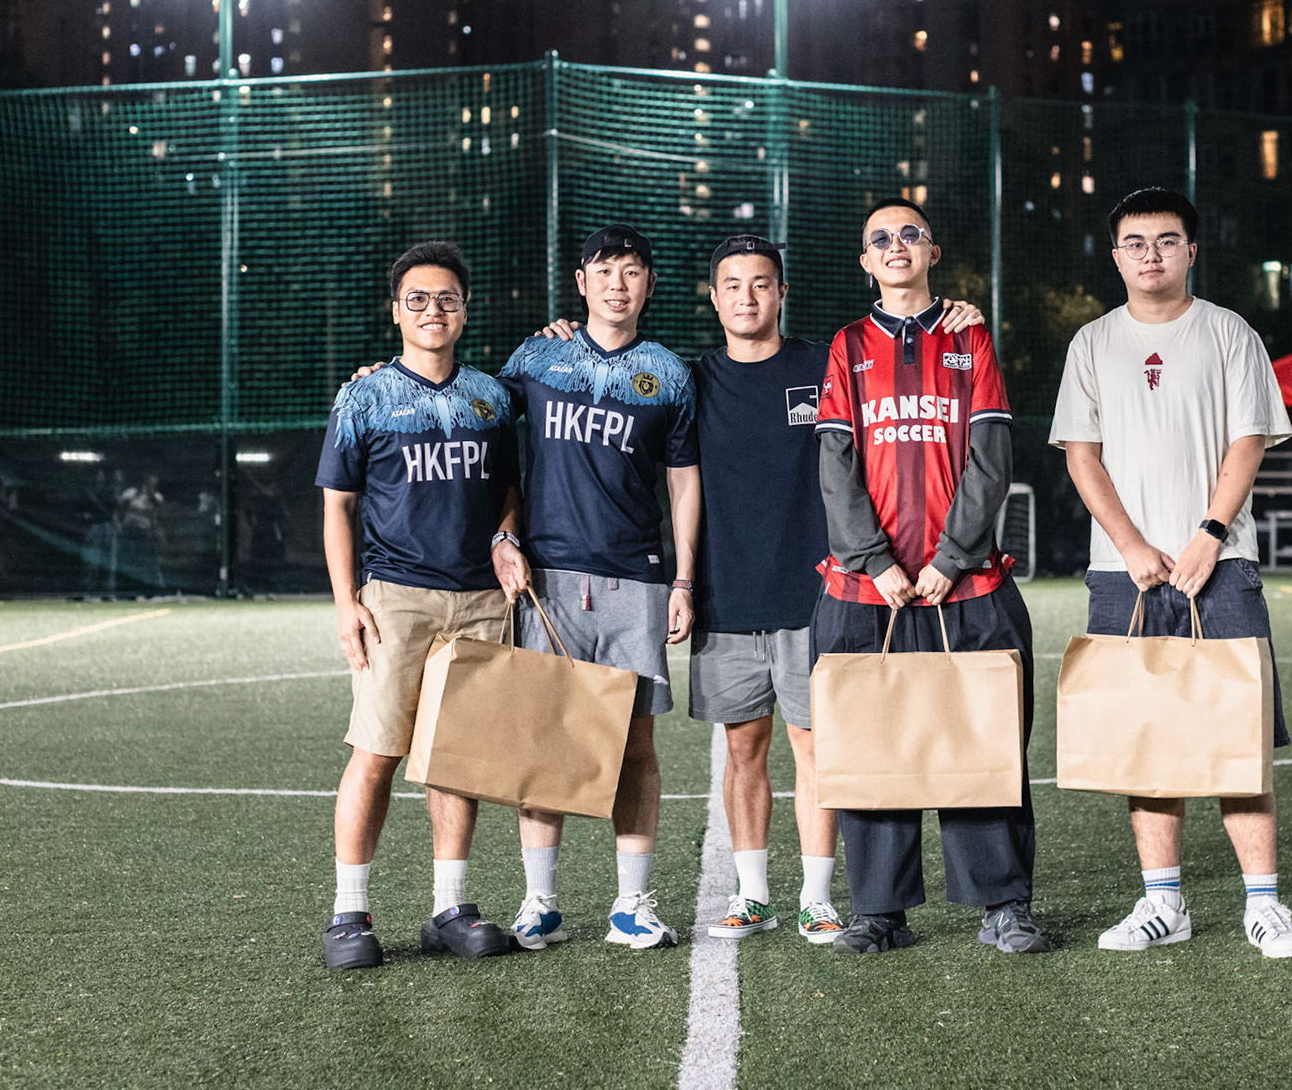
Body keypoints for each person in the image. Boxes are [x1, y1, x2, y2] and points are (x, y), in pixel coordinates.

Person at [537, 235, 987, 945]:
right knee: (743, 750)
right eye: (733, 285)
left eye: (761, 284)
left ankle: (815, 896)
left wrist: (950, 316)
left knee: (816, 749)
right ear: (714, 299)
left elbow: (902, 374)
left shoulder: (827, 363)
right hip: (725, 597)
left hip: (820, 597)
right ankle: (752, 895)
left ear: (782, 293)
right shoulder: (690, 382)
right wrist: (560, 334)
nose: (747, 297)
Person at [1050, 186, 1292, 959]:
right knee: (1147, 740)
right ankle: (1165, 902)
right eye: (1136, 243)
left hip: (1219, 565)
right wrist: (1131, 546)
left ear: (1192, 250)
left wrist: (1207, 535)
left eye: (1167, 241)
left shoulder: (1229, 333)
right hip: (1122, 570)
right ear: (1116, 254)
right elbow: (1081, 455)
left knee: (1240, 739)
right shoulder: (1092, 343)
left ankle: (1264, 904)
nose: (1151, 254)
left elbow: (1248, 443)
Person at [811, 199, 1046, 956]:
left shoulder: (968, 336)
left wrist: (951, 557)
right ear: (866, 263)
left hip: (966, 585)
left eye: (910, 232)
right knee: (875, 749)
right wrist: (875, 562)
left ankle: (1003, 905)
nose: (896, 244)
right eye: (880, 238)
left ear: (933, 251)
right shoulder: (848, 345)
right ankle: (880, 911)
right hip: (867, 592)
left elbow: (992, 459)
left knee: (983, 743)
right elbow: (835, 465)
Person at [316, 240, 532, 968]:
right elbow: (337, 506)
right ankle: (349, 912)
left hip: (477, 598)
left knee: (457, 759)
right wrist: (347, 602)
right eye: (418, 299)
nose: (433, 310)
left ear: (464, 309)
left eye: (446, 298)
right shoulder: (365, 395)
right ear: (397, 310)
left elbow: (509, 485)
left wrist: (505, 533)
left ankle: (449, 906)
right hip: (396, 596)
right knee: (375, 753)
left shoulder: (493, 396)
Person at [499, 223, 701, 951]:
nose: (618, 283)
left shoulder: (669, 375)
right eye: (604, 269)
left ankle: (631, 904)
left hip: (635, 578)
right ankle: (540, 901)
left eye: (633, 271)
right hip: (548, 582)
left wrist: (683, 577)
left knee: (635, 745)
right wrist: (503, 535)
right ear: (580, 282)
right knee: (544, 743)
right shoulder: (538, 356)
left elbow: (683, 482)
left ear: (649, 285)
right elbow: (492, 447)